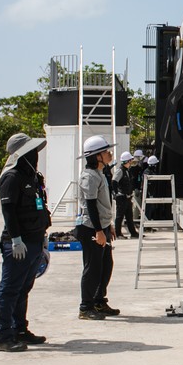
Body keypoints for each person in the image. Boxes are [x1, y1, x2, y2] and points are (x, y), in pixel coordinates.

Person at [0, 133, 52, 352]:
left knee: (24, 289)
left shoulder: (32, 177)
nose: (35, 155)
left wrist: (43, 237)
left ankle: (20, 329)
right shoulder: (11, 177)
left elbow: (39, 206)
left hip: (35, 241)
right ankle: (3, 337)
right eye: (31, 151)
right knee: (10, 290)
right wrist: (16, 240)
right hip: (19, 243)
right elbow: (8, 211)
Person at [76, 135, 120, 320]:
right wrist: (99, 231)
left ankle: (99, 301)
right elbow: (91, 206)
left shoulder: (100, 173)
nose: (110, 154)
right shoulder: (89, 176)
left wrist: (108, 225)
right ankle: (86, 307)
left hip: (102, 226)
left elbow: (103, 204)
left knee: (106, 265)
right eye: (106, 151)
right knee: (92, 268)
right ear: (96, 156)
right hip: (91, 228)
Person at [111, 151, 138, 239]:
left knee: (129, 216)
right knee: (120, 216)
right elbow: (114, 182)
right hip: (122, 197)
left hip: (127, 197)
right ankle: (118, 233)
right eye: (130, 160)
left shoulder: (127, 171)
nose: (131, 162)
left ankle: (133, 233)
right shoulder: (120, 171)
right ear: (126, 161)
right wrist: (116, 193)